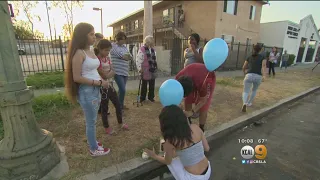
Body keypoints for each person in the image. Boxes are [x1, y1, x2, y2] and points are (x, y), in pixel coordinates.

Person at [64, 22, 110, 156]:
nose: (94, 37)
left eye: (94, 33)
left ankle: (93, 141)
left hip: (95, 90)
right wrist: (99, 83)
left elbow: (94, 69)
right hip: (87, 92)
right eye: (91, 34)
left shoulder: (90, 51)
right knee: (91, 122)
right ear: (82, 36)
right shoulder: (79, 53)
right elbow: (77, 77)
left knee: (93, 120)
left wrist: (102, 81)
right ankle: (93, 149)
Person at [144, 105, 211, 180]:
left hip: (193, 178)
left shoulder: (171, 140)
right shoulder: (195, 127)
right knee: (180, 153)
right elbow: (207, 148)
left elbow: (167, 161)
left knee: (170, 158)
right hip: (208, 170)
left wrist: (154, 156)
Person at [95, 39, 129, 135]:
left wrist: (110, 73)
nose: (107, 52)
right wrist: (111, 73)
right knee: (104, 108)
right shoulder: (97, 60)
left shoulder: (108, 58)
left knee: (118, 104)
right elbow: (105, 75)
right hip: (103, 88)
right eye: (106, 50)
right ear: (100, 49)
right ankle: (107, 127)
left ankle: (120, 123)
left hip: (110, 85)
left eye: (109, 50)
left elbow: (112, 70)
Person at [175, 63, 216, 132]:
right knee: (188, 99)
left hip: (208, 77)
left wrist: (192, 111)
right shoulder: (177, 79)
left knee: (204, 106)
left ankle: (201, 128)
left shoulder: (202, 83)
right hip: (194, 75)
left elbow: (204, 100)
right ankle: (188, 123)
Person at [110, 31, 132, 111]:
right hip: (117, 71)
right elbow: (122, 56)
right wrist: (125, 56)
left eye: (125, 39)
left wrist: (127, 56)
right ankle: (119, 107)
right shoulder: (113, 46)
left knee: (121, 90)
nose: (124, 41)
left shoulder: (124, 47)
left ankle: (120, 105)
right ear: (118, 39)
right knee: (122, 89)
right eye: (123, 39)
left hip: (125, 71)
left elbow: (130, 56)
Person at [241, 44, 267, 112]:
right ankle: (249, 103)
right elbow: (264, 66)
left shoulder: (249, 56)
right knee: (254, 90)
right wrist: (264, 75)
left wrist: (244, 73)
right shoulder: (263, 57)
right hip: (258, 76)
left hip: (249, 75)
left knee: (246, 91)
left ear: (253, 49)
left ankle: (244, 103)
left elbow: (244, 67)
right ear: (260, 50)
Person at [135, 35, 158, 103]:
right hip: (144, 70)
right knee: (144, 85)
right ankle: (142, 98)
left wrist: (155, 66)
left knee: (152, 84)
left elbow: (154, 59)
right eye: (149, 43)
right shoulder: (142, 49)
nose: (151, 44)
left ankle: (151, 97)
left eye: (151, 43)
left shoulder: (153, 50)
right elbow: (138, 60)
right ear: (147, 42)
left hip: (152, 69)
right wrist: (139, 68)